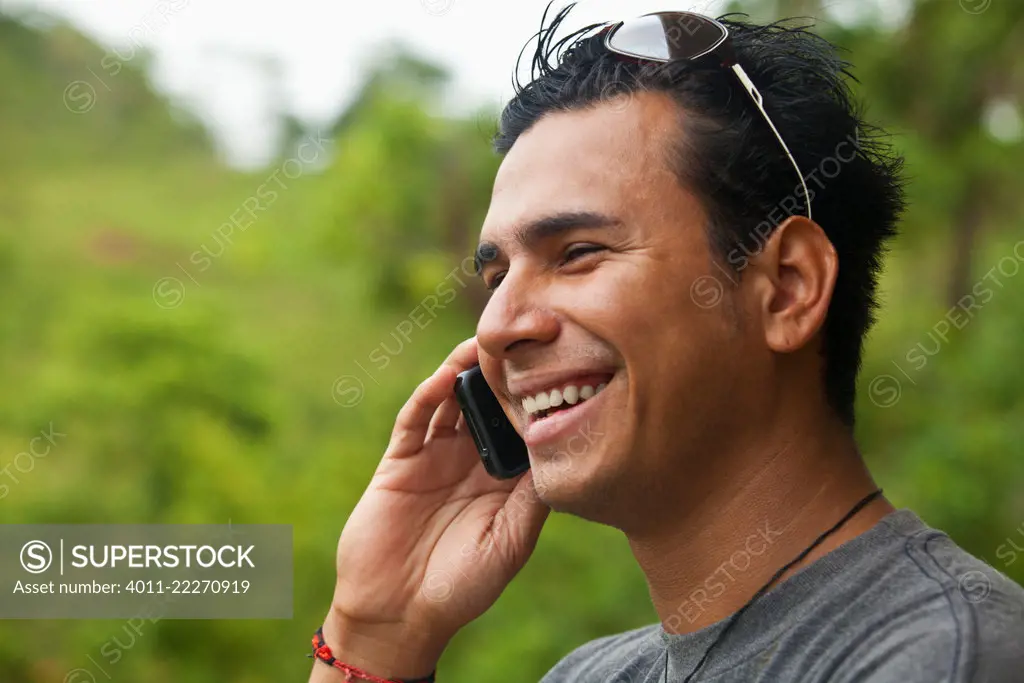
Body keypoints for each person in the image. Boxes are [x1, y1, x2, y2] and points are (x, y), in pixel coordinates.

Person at [309, 5, 1024, 682]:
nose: (496, 325)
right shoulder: (589, 675)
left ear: (788, 286)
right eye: (496, 276)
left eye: (578, 252)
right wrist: (377, 630)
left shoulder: (942, 655)